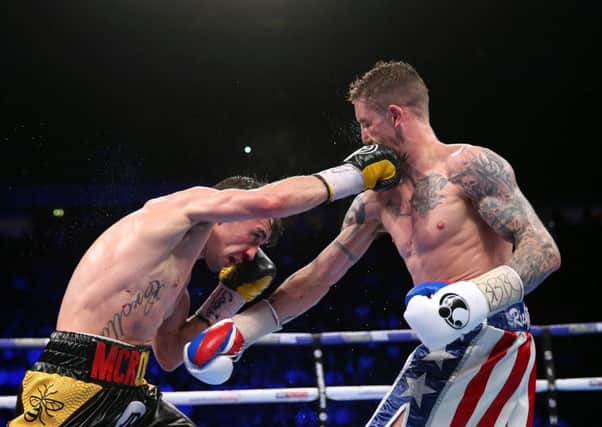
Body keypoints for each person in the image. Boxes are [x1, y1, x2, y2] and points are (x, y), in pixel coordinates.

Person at [188, 60, 562, 427]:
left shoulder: (470, 166)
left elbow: (543, 251)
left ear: (396, 115)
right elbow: (320, 276)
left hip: (491, 337)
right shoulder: (375, 201)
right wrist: (245, 328)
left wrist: (468, 301)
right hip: (442, 345)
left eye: (367, 124)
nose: (364, 138)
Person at [8, 145, 403, 427]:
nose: (254, 253)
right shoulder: (183, 207)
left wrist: (230, 297)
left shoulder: (175, 290)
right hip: (73, 383)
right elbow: (273, 201)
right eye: (256, 235)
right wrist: (354, 174)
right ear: (233, 207)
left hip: (130, 389)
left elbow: (169, 355)